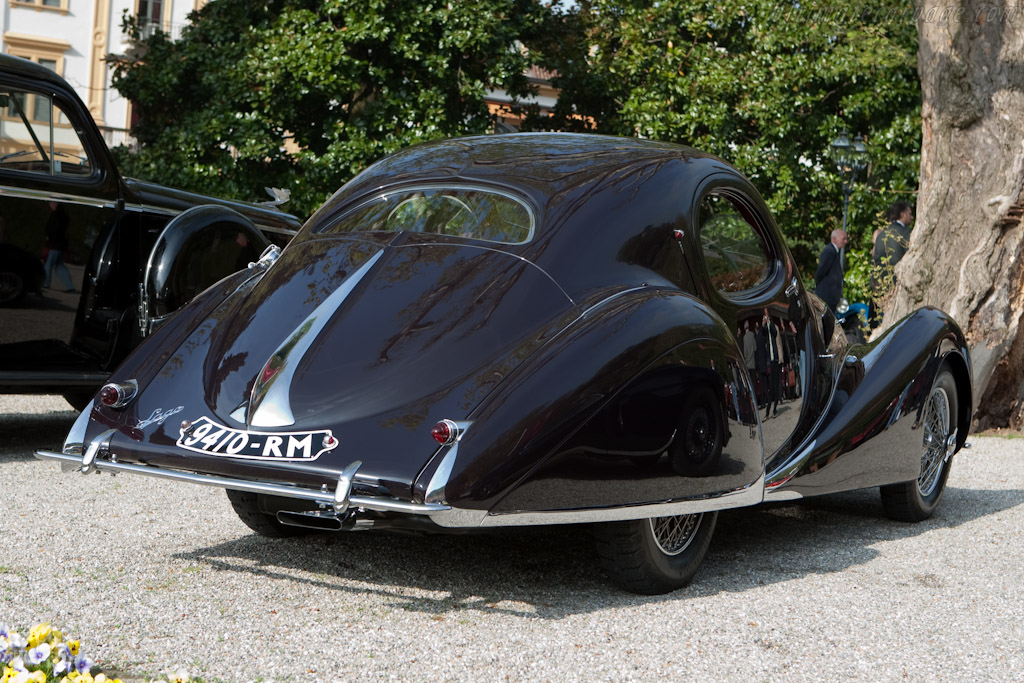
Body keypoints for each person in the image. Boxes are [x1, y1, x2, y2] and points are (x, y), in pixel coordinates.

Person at [870, 202, 913, 327]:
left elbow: (876, 260)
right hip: (898, 285)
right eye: (909, 214)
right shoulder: (906, 233)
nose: (911, 217)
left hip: (880, 285)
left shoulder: (881, 235)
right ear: (902, 214)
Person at [42, 201, 74, 292]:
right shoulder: (63, 216)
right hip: (60, 244)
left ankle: (46, 283)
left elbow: (54, 230)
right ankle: (69, 286)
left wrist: (49, 237)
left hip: (55, 244)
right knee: (59, 266)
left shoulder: (56, 216)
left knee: (49, 264)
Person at [814, 228, 846, 310]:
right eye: (843, 239)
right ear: (834, 239)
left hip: (830, 296)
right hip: (827, 295)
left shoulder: (834, 252)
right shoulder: (830, 251)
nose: (845, 241)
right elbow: (821, 271)